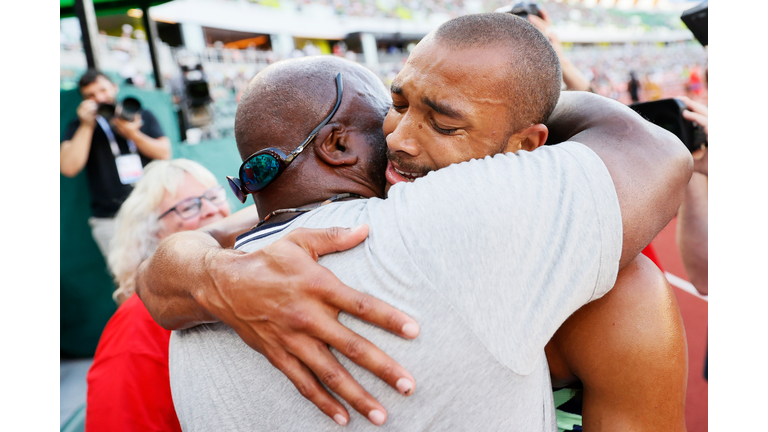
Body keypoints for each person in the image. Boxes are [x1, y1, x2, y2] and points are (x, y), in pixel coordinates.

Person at [139, 14, 691, 430]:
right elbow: (656, 154)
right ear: (336, 145)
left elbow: (185, 255)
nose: (399, 138)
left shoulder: (201, 309)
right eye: (396, 103)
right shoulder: (435, 230)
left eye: (443, 123)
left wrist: (204, 272)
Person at [85, 159, 231, 431]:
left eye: (214, 196)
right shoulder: (137, 321)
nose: (212, 210)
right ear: (153, 234)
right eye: (189, 207)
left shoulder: (241, 281)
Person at [60, 70, 171, 259]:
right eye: (91, 95)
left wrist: (133, 134)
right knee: (128, 283)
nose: (100, 98)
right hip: (110, 220)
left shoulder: (140, 114)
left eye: (103, 90)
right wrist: (86, 125)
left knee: (167, 270)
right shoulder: (78, 126)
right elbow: (69, 167)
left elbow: (164, 153)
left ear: (114, 88)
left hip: (152, 211)